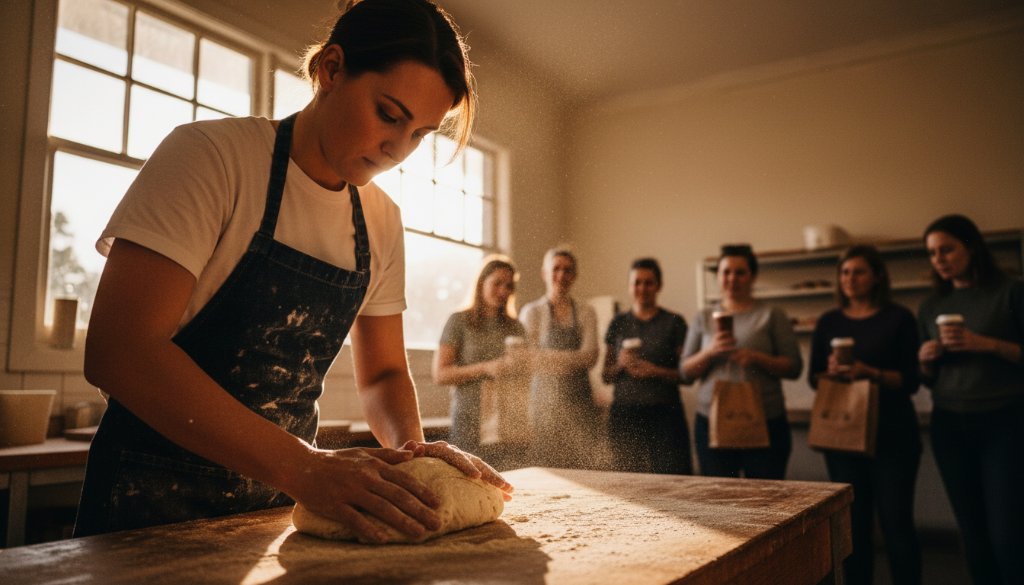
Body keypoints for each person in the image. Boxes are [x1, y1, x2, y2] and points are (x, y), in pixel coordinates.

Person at [76, 0, 511, 543]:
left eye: (420, 134)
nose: (398, 149)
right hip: (143, 509)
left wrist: (409, 454)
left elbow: (381, 375)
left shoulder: (380, 221)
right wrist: (303, 466)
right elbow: (122, 352)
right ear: (331, 70)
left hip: (274, 513)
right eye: (389, 115)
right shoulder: (212, 158)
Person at [917, 214, 1024, 585]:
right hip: (949, 422)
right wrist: (925, 361)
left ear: (972, 247)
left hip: (1005, 421)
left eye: (947, 249)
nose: (940, 259)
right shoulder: (931, 307)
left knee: (1008, 530)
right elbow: (926, 382)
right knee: (971, 529)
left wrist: (986, 344)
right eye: (932, 254)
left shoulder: (1010, 292)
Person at [808, 245, 922, 585]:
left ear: (877, 276)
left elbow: (912, 381)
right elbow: (814, 379)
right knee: (853, 527)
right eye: (844, 272)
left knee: (896, 523)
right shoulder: (829, 321)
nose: (850, 279)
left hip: (893, 436)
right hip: (843, 436)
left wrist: (870, 372)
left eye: (858, 272)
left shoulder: (899, 318)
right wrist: (831, 371)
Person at [681, 244, 802, 479]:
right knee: (720, 502)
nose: (732, 278)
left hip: (765, 420)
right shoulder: (704, 317)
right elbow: (685, 373)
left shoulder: (771, 315)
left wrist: (757, 357)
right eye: (726, 272)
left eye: (740, 272)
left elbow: (794, 367)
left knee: (766, 499)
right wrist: (710, 352)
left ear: (752, 276)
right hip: (712, 420)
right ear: (718, 276)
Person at [601, 258, 691, 475]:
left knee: (672, 479)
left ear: (658, 285)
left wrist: (654, 371)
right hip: (625, 416)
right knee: (627, 481)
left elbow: (686, 375)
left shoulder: (674, 322)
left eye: (648, 283)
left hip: (665, 415)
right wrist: (621, 364)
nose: (642, 288)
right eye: (637, 283)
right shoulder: (618, 322)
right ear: (630, 286)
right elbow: (606, 374)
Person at [432, 255, 527, 460]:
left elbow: (527, 371)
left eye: (509, 286)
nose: (503, 291)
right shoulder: (459, 321)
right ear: (481, 282)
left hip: (509, 423)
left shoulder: (516, 327)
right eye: (497, 283)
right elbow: (440, 374)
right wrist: (486, 368)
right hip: (469, 422)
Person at [519, 247, 602, 469]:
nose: (562, 276)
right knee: (546, 467)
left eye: (568, 270)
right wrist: (572, 359)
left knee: (584, 467)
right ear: (544, 273)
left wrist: (546, 358)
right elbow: (527, 359)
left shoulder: (587, 311)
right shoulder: (531, 312)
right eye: (556, 269)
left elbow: (590, 357)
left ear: (574, 276)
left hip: (581, 403)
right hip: (542, 405)